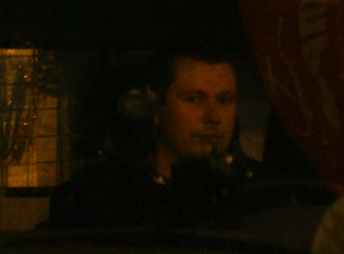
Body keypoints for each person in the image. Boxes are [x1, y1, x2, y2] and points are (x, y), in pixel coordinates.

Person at [47, 43, 262, 229]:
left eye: (225, 100)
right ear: (156, 106)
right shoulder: (100, 199)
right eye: (194, 99)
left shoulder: (262, 192)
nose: (213, 117)